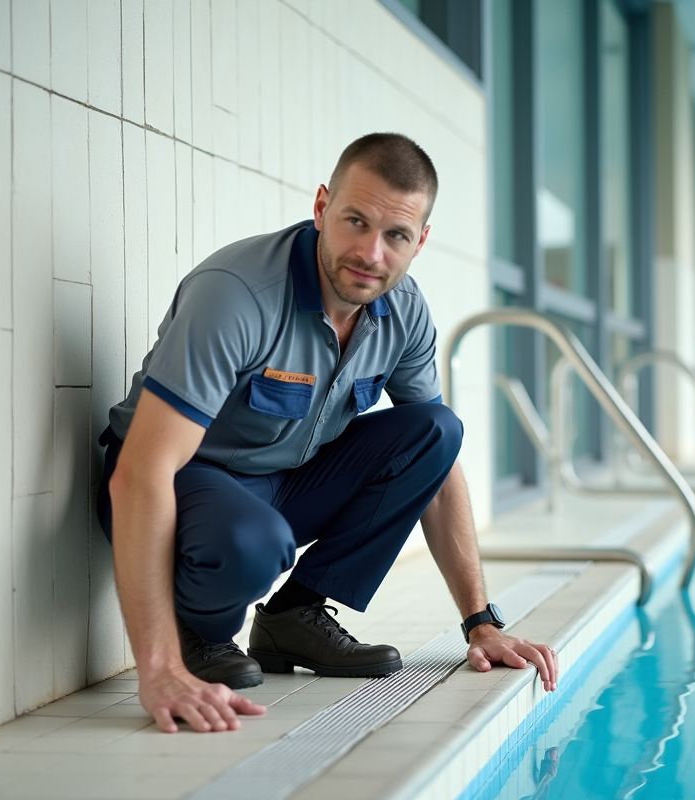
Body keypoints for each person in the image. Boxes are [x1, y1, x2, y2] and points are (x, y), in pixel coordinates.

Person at [97, 133, 558, 734]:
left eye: (395, 235)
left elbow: (437, 469)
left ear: (419, 241)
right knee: (254, 539)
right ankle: (198, 633)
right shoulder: (237, 295)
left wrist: (482, 622)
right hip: (187, 479)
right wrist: (154, 665)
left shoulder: (405, 314)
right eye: (355, 221)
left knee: (436, 430)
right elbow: (141, 471)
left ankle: (295, 615)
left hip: (283, 481)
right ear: (321, 209)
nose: (370, 252)